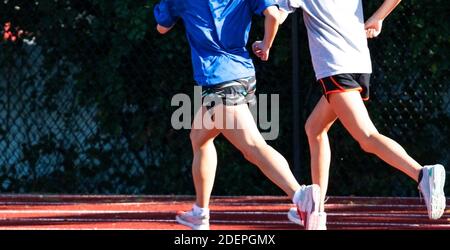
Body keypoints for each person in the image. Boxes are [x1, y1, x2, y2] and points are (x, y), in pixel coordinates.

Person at [258, 0, 447, 230]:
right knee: (314, 128)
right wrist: (379, 17)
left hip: (336, 67)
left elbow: (275, 14)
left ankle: (422, 174)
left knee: (366, 136)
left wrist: (265, 44)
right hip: (358, 63)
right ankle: (316, 211)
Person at [154, 0, 321, 230]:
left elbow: (162, 27)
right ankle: (200, 213)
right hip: (241, 75)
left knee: (252, 146)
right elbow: (273, 14)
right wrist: (266, 45)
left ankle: (302, 196)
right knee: (199, 138)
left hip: (219, 81)